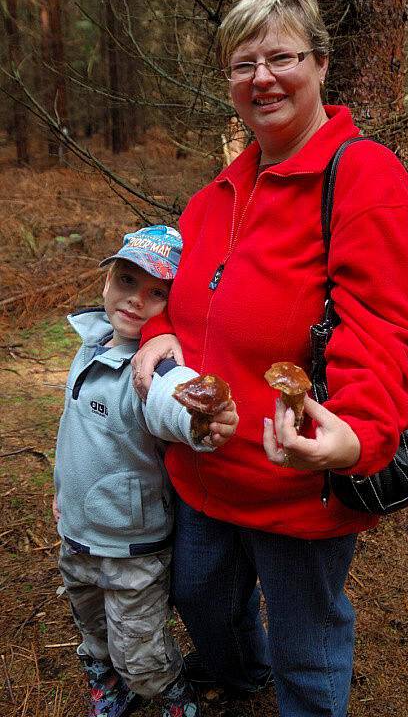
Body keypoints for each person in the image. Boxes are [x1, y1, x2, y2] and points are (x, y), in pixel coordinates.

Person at [132, 0, 408, 717]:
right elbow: (176, 292)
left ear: (320, 64)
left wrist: (353, 431)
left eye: (281, 57)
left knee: (307, 639)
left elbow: (382, 328)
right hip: (203, 469)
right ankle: (239, 679)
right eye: (242, 64)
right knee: (199, 597)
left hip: (294, 480)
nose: (261, 77)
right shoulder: (217, 195)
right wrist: (157, 328)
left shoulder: (363, 178)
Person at [52, 225, 239, 717]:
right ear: (106, 282)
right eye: (127, 281)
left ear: (173, 306)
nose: (136, 300)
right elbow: (72, 432)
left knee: (141, 648)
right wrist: (60, 491)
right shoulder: (90, 344)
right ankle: (105, 677)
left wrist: (202, 420)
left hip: (131, 545)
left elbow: (172, 400)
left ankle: (171, 694)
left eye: (157, 292)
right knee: (92, 628)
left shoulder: (152, 366)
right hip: (75, 534)